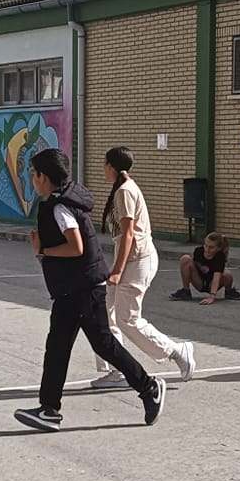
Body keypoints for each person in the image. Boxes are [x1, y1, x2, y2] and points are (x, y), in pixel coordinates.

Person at [13, 148, 165, 432]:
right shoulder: (62, 200)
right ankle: (49, 409)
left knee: (103, 343)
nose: (32, 179)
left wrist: (42, 249)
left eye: (33, 174)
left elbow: (76, 247)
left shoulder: (60, 207)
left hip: (84, 288)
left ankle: (149, 387)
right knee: (57, 347)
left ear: (44, 177)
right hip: (71, 288)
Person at [92, 147, 196, 388]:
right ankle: (116, 370)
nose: (102, 169)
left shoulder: (125, 191)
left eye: (104, 164)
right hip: (128, 260)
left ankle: (176, 351)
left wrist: (117, 270)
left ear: (111, 166)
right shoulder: (122, 189)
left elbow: (128, 232)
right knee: (106, 314)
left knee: (127, 318)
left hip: (137, 261)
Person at [173, 232, 240, 304]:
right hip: (199, 282)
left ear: (218, 248)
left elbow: (217, 277)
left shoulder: (220, 257)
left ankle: (229, 291)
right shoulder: (198, 251)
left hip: (212, 284)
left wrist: (212, 296)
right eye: (206, 245)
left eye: (211, 247)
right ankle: (185, 291)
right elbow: (191, 268)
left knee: (227, 274)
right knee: (185, 258)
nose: (207, 249)